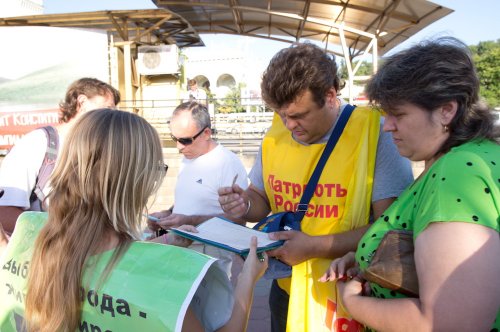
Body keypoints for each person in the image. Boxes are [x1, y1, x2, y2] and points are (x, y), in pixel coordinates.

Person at [0, 109, 268, 331]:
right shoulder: (156, 279)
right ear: (135, 182)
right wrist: (247, 280)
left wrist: (166, 242)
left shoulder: (29, 234)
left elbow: (107, 254)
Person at [218, 42, 414, 331]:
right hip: (286, 290)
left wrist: (315, 247)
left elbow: (388, 231)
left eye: (299, 115)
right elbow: (261, 198)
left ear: (330, 96)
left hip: (348, 295)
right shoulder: (275, 135)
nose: (289, 125)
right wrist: (244, 203)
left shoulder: (376, 133)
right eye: (281, 114)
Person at [321, 37, 500, 331]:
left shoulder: (456, 174)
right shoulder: (479, 155)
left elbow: (446, 323)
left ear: (446, 110)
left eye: (399, 114)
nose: (387, 125)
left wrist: (352, 302)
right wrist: (372, 258)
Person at [0, 77, 120, 235]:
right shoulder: (38, 143)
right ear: (82, 103)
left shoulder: (97, 148)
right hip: (40, 254)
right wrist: (58, 240)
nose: (112, 117)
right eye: (107, 108)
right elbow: (4, 212)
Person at [149, 101, 248, 277]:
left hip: (209, 262)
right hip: (181, 254)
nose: (179, 147)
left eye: (185, 140)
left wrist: (190, 220)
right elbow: (191, 199)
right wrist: (168, 213)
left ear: (206, 133)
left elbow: (239, 221)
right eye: (175, 139)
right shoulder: (189, 157)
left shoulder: (227, 163)